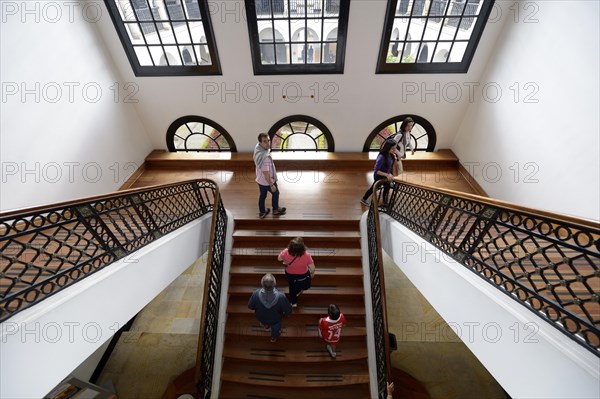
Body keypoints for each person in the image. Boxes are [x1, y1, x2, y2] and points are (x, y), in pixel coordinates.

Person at [248, 273, 292, 342]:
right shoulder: (281, 297)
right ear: (275, 283)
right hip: (276, 320)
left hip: (261, 317)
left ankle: (266, 326)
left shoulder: (256, 293)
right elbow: (288, 310)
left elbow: (250, 306)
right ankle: (273, 337)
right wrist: (288, 313)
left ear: (262, 283)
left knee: (265, 322)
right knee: (275, 329)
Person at [253, 133, 286, 218]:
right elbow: (266, 173)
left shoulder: (258, 149)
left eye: (268, 140)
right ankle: (275, 210)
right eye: (265, 141)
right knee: (276, 193)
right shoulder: (265, 158)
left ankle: (262, 212)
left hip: (260, 180)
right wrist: (271, 185)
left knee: (262, 196)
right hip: (267, 181)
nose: (268, 143)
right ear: (260, 142)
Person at [278, 237, 315, 307]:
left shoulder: (286, 251)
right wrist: (312, 273)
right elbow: (312, 268)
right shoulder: (307, 255)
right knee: (302, 283)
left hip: (290, 274)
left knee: (292, 287)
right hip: (303, 274)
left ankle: (293, 303)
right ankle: (299, 290)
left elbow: (279, 259)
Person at [360, 139, 398, 207]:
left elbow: (391, 167)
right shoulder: (381, 157)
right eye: (393, 148)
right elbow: (376, 170)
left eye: (395, 148)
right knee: (373, 188)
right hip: (379, 175)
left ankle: (384, 202)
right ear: (387, 148)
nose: (395, 150)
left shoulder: (391, 155)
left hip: (387, 175)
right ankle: (363, 199)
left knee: (387, 187)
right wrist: (387, 174)